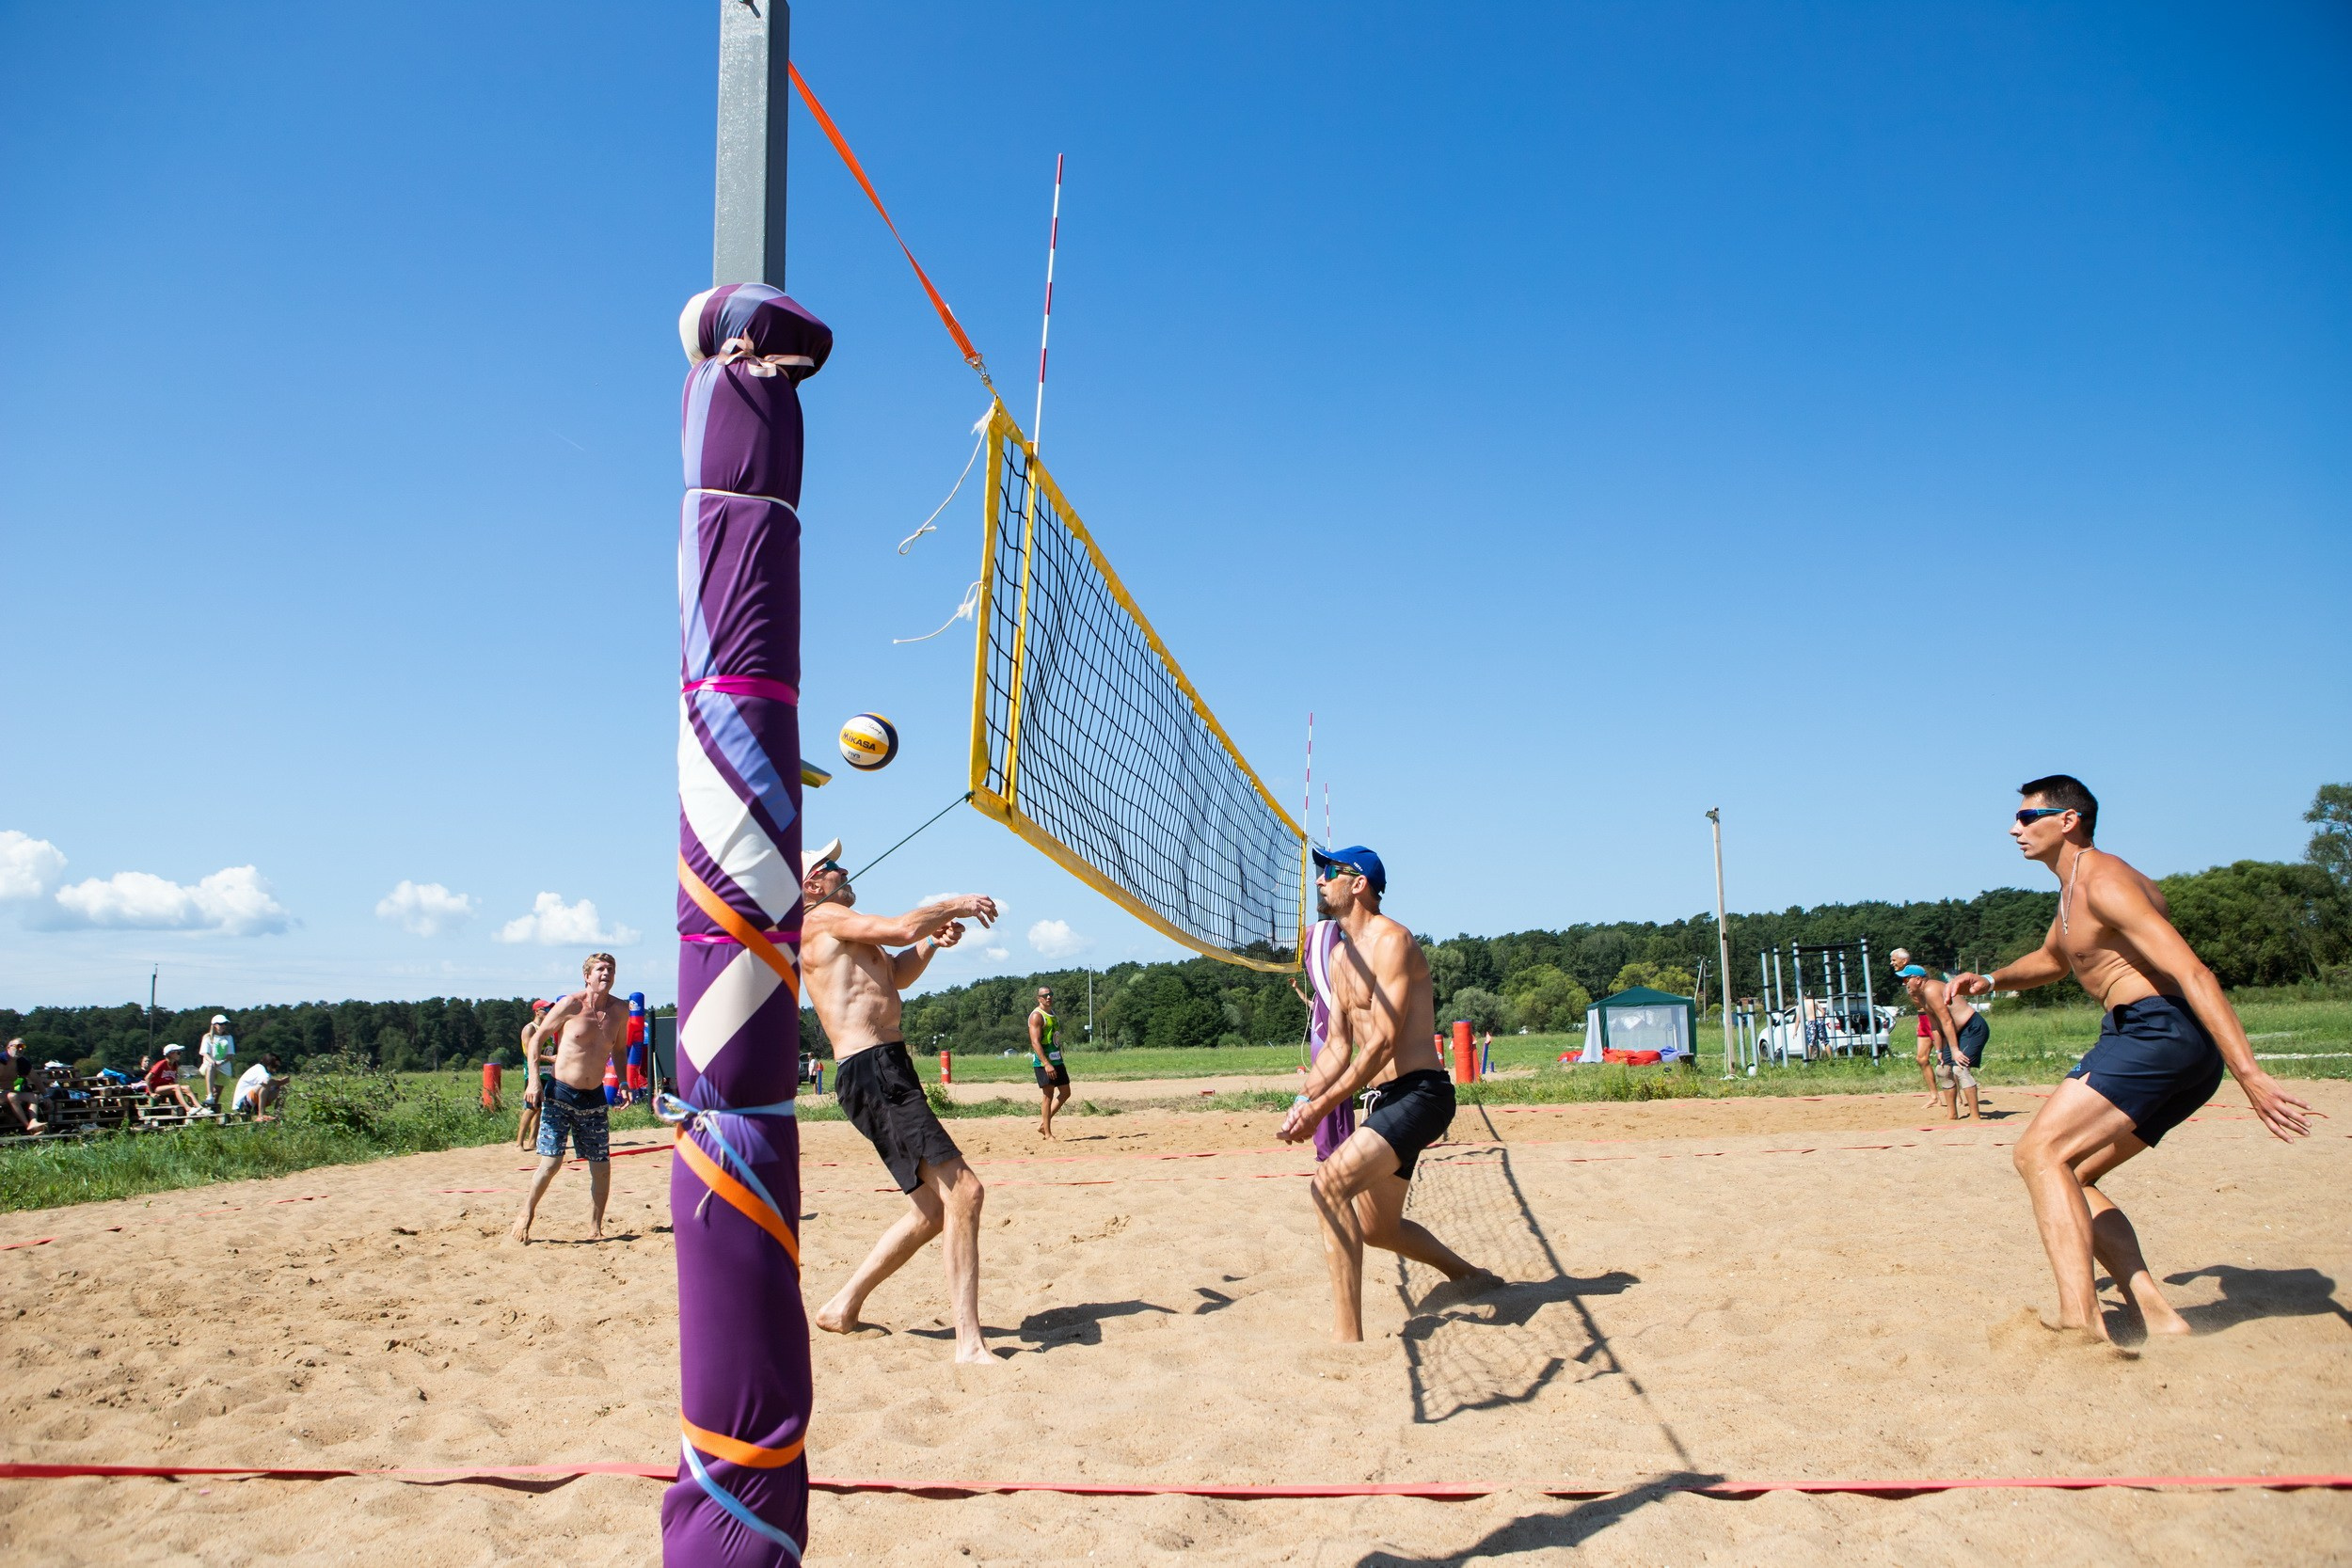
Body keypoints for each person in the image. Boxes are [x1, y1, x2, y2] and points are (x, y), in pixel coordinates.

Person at [1950, 775, 2312, 1342]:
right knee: (2076, 1173)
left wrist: (2252, 1075)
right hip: (2168, 1042)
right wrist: (1991, 979)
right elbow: (2054, 959)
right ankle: (2158, 1313)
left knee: (2038, 1153)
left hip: (2154, 1031)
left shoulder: (2106, 880)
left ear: (2067, 821)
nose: (2013, 828)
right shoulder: (2072, 891)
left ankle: (2080, 1323)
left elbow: (2194, 971)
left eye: (2026, 817)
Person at [1279, 847, 1499, 1342]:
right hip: (1384, 1101)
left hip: (1421, 1094)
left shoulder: (1392, 940)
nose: (1319, 881)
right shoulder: (1338, 956)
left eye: (1329, 872)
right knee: (1379, 1230)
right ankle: (1469, 1276)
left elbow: (1379, 1043)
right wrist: (1302, 1100)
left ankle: (1347, 1339)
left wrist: (1323, 1106)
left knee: (1328, 1186)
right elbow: (1338, 1047)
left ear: (1358, 884)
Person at [798, 837, 1002, 1363]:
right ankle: (968, 1343)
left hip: (884, 1068)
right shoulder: (821, 921)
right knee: (966, 1193)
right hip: (873, 1069)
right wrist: (956, 903)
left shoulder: (845, 928)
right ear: (813, 884)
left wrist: (933, 940)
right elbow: (902, 927)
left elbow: (897, 975)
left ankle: (842, 1306)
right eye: (833, 866)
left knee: (932, 1211)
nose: (844, 869)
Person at [510, 956, 631, 1243]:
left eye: (611, 969)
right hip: (561, 1091)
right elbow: (537, 1039)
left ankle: (596, 1226)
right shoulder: (571, 1005)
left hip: (594, 1095)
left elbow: (621, 1049)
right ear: (587, 976)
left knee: (601, 1166)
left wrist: (625, 1081)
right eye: (600, 969)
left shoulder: (620, 1009)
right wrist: (535, 1080)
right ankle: (526, 1213)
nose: (607, 973)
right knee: (551, 1163)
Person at [1890, 949, 1978, 1120]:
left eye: (1894, 960)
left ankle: (1957, 1096)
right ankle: (1934, 1096)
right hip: (1923, 1018)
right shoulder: (1905, 976)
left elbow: (1934, 999)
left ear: (1904, 960)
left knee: (1944, 1059)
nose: (1892, 963)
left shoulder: (1918, 975)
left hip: (1934, 1017)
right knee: (1921, 1059)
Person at [1026, 986, 1072, 1138]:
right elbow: (1035, 1042)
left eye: (1050, 994)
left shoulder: (1052, 1013)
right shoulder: (1037, 1016)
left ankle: (1042, 1125)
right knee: (1048, 1095)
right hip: (1043, 1063)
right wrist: (1046, 1063)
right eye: (1045, 995)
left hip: (1057, 1060)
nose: (1048, 997)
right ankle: (1048, 1133)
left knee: (1065, 1092)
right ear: (1038, 998)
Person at [515, 998, 554, 1151]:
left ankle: (532, 1141)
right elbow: (528, 1052)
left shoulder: (547, 1029)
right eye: (546, 1009)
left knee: (540, 1107)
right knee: (531, 1107)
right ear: (537, 1011)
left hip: (547, 1072)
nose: (549, 1012)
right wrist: (549, 1058)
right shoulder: (530, 1028)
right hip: (534, 1073)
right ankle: (519, 1142)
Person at [194, 1014, 236, 1110]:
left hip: (224, 1067)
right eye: (220, 1024)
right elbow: (205, 1052)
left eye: (224, 1024)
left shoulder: (228, 1037)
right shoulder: (208, 1037)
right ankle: (209, 1095)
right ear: (214, 1025)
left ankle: (211, 1110)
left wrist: (221, 1062)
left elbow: (230, 1055)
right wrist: (212, 1061)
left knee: (217, 1093)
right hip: (210, 1065)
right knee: (211, 1067)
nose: (223, 1026)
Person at [143, 1044, 202, 1112]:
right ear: (171, 1053)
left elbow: (173, 1080)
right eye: (178, 1053)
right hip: (156, 1088)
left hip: (166, 1087)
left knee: (187, 1087)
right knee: (176, 1086)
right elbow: (147, 1078)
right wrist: (151, 1093)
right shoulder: (161, 1064)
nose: (180, 1054)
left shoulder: (175, 1065)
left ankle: (199, 1108)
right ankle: (188, 1109)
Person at [5, 1039, 44, 1134]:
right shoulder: (2, 1060)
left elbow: (36, 1079)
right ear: (8, 1048)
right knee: (12, 1096)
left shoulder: (23, 1062)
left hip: (10, 1092)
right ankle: (29, 1127)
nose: (20, 1049)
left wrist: (46, 1096)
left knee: (33, 1096)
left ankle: (33, 1122)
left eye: (22, 1047)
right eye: (17, 1046)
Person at [231, 1053, 289, 1119]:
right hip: (242, 1105)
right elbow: (267, 1082)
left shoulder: (263, 1071)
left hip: (251, 1102)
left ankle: (278, 1116)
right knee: (265, 1085)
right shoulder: (260, 1070)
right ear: (268, 1064)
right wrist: (280, 1081)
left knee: (282, 1090)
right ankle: (261, 1115)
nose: (275, 1069)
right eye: (274, 1066)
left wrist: (280, 1084)